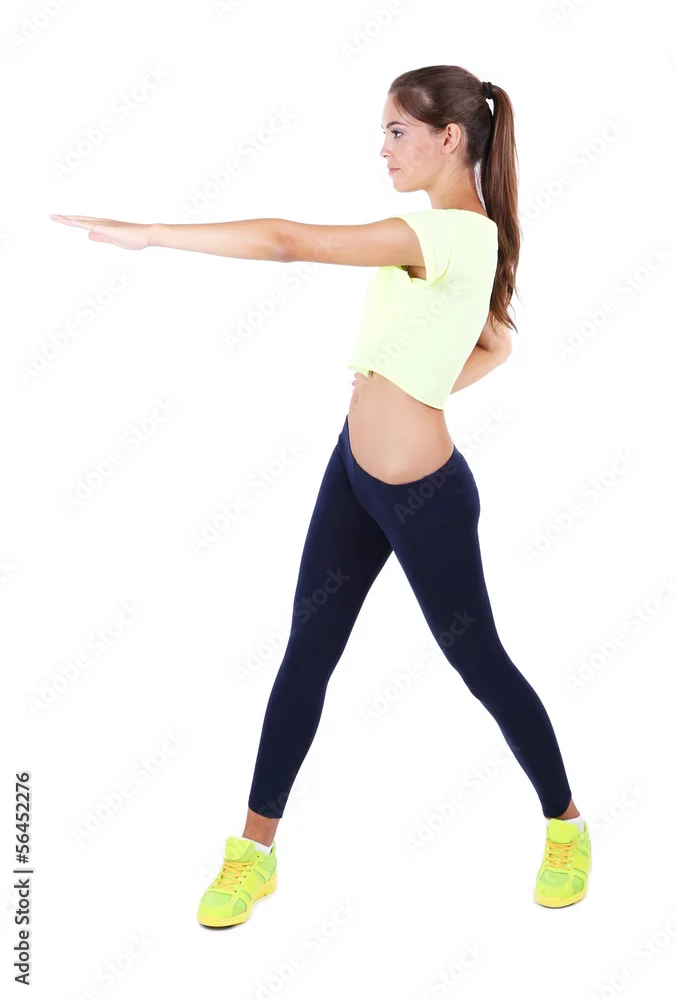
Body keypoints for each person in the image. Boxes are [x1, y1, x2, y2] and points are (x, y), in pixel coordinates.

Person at [50, 64, 592, 924]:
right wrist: (404, 386)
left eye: (396, 132)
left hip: (424, 495)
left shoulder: (451, 234)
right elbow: (495, 344)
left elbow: (286, 242)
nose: (383, 149)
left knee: (476, 660)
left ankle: (565, 826)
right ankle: (253, 854)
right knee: (307, 652)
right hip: (352, 474)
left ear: (449, 137)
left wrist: (150, 233)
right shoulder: (449, 237)